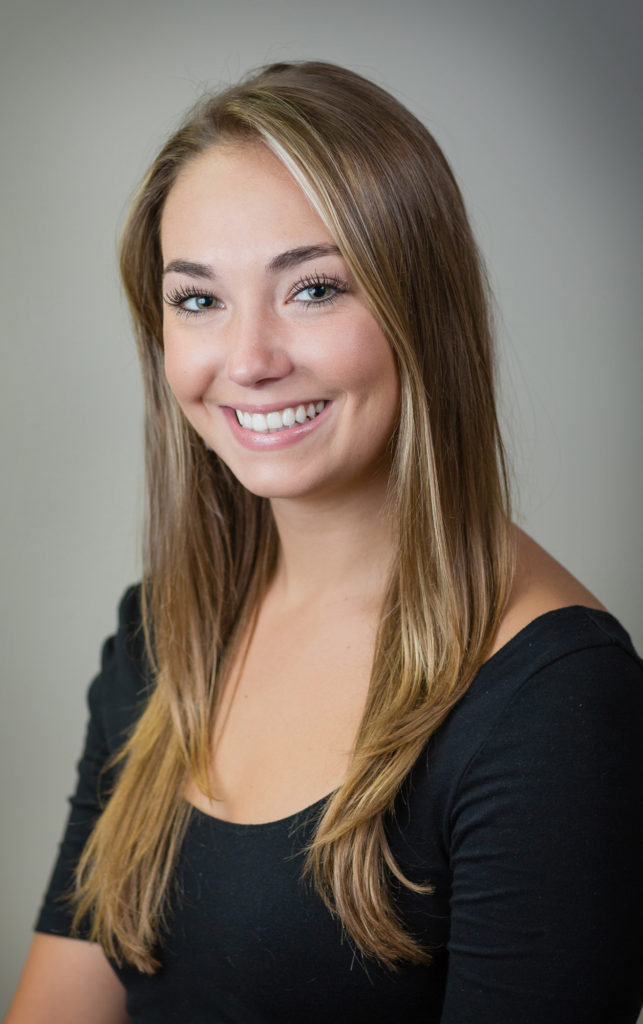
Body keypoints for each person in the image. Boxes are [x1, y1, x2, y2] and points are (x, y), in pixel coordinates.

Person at [6, 61, 643, 1024]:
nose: (250, 359)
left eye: (313, 289)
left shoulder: (554, 701)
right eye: (197, 300)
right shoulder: (162, 636)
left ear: (417, 304)